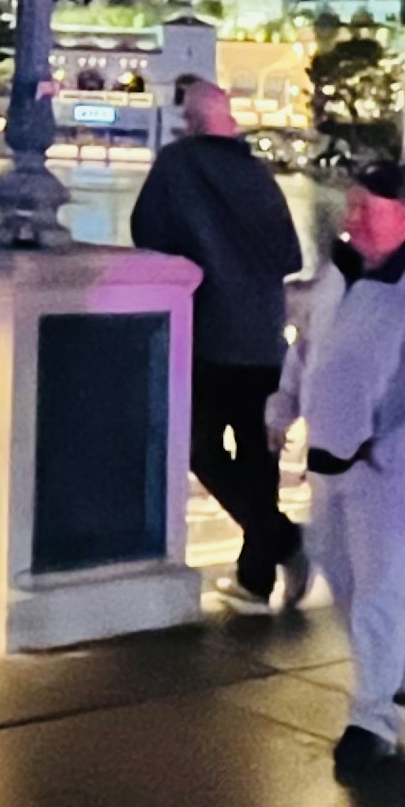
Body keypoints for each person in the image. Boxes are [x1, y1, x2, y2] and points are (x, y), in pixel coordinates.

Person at [289, 164, 405, 782]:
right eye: (352, 207)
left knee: (378, 588)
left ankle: (373, 719)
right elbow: (307, 349)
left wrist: (394, 451)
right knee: (338, 574)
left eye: (368, 209)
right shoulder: (337, 278)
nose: (353, 220)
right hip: (329, 459)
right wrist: (282, 405)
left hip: (387, 470)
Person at [128, 77, 308, 612]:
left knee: (198, 448)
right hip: (264, 336)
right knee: (259, 461)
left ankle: (284, 543)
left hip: (210, 334)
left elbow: (148, 233)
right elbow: (290, 255)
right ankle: (257, 578)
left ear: (190, 120)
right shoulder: (258, 173)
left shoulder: (178, 165)